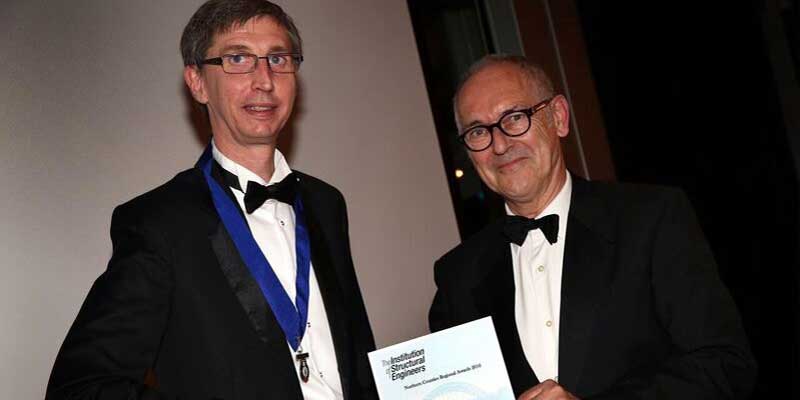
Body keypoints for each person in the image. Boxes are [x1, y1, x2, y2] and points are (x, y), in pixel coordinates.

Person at [46, 1, 377, 399]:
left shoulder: (326, 202)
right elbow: (81, 386)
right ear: (197, 82)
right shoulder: (159, 223)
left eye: (277, 58)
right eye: (238, 58)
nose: (265, 80)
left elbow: (356, 349)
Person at [428, 55, 757, 400]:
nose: (499, 144)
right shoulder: (457, 276)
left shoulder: (650, 219)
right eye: (478, 131)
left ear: (558, 117)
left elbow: (725, 364)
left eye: (515, 118)